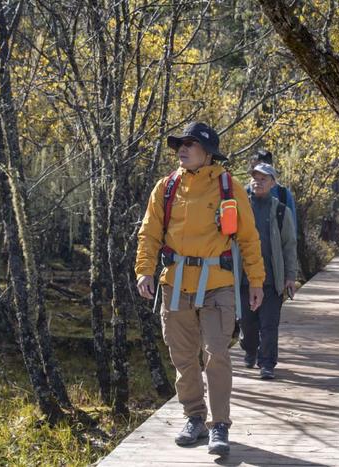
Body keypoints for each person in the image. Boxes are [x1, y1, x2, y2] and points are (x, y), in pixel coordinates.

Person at [135, 121, 265, 456]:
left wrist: (256, 281)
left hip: (217, 284)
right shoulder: (165, 187)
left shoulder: (228, 187)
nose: (182, 148)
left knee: (217, 355)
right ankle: (194, 416)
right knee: (182, 357)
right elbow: (149, 234)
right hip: (175, 283)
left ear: (207, 152)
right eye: (180, 143)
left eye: (190, 143)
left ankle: (219, 425)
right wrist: (144, 271)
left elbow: (249, 238)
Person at [240, 163, 297, 380]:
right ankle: (250, 350)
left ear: (273, 183)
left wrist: (290, 277)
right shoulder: (240, 208)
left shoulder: (282, 211)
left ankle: (267, 364)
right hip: (244, 279)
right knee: (247, 322)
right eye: (255, 177)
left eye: (264, 178)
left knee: (269, 325)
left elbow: (289, 245)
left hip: (273, 279)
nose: (258, 181)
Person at [248, 149, 297, 235]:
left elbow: (291, 230)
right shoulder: (244, 193)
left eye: (261, 169)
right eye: (253, 169)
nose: (257, 172)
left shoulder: (283, 194)